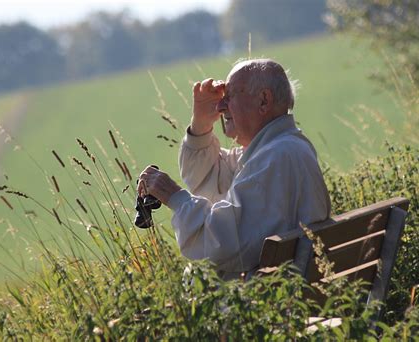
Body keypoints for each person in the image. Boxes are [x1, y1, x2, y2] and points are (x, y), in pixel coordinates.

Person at [138, 59, 331, 280]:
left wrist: (176, 198)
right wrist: (201, 122)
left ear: (263, 100)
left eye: (229, 98)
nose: (221, 107)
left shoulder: (275, 158)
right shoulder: (282, 149)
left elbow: (220, 246)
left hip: (264, 305)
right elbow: (212, 178)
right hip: (293, 293)